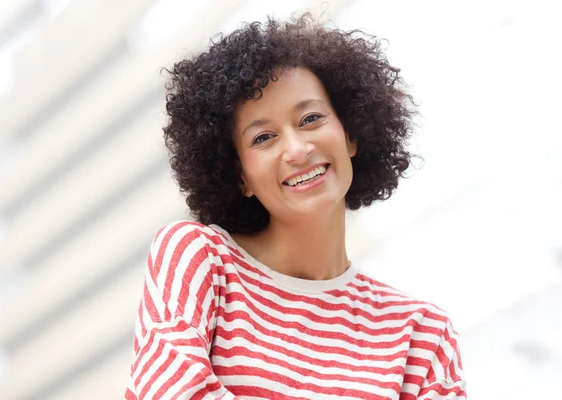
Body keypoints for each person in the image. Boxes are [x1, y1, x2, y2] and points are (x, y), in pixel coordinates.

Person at [125, 13, 467, 400]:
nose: (297, 149)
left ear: (350, 135)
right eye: (264, 138)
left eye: (310, 119)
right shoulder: (200, 258)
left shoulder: (422, 335)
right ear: (239, 175)